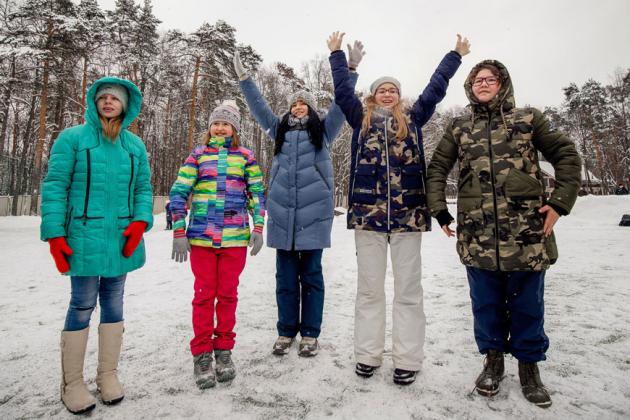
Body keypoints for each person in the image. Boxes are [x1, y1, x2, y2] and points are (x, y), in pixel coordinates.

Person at [426, 60, 581, 408]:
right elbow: (437, 168)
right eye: (477, 80)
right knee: (486, 303)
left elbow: (566, 154)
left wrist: (559, 203)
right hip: (477, 235)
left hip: (526, 233)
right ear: (469, 86)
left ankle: (529, 368)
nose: (483, 84)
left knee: (528, 305)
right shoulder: (459, 126)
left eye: (489, 79)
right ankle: (493, 362)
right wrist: (439, 210)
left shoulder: (528, 119)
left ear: (502, 83)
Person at [328, 31, 470, 385]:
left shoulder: (415, 117)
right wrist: (340, 59)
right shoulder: (359, 118)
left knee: (408, 290)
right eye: (381, 89)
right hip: (368, 218)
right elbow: (343, 92)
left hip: (408, 217)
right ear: (373, 95)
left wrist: (455, 55)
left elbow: (436, 88)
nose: (387, 93)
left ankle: (407, 358)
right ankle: (367, 355)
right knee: (370, 289)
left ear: (398, 94)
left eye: (392, 88)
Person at [233, 49, 359, 358]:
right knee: (285, 280)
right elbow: (258, 106)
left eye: (303, 103)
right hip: (282, 217)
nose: (298, 106)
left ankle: (310, 334)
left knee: (312, 278)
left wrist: (351, 70)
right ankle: (286, 330)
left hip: (314, 217)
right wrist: (245, 80)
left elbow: (343, 106)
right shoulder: (279, 130)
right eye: (294, 103)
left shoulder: (324, 132)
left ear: (312, 110)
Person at [40, 77, 153, 414]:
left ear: (125, 105)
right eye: (102, 97)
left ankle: (107, 375)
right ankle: (72, 382)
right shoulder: (73, 139)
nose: (108, 102)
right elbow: (56, 186)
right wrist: (55, 234)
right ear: (93, 102)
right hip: (83, 237)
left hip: (121, 240)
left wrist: (140, 222)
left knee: (114, 304)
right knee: (82, 304)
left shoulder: (134, 146)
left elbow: (143, 189)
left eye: (114, 98)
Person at [169, 100, 265, 389]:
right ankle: (201, 354)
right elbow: (178, 192)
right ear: (209, 127)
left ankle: (224, 350)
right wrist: (178, 230)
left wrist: (258, 227)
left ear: (235, 128)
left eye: (226, 123)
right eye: (216, 122)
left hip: (235, 240)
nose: (220, 127)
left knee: (227, 295)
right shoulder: (198, 155)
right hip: (201, 239)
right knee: (203, 295)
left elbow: (257, 194)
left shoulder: (245, 156)